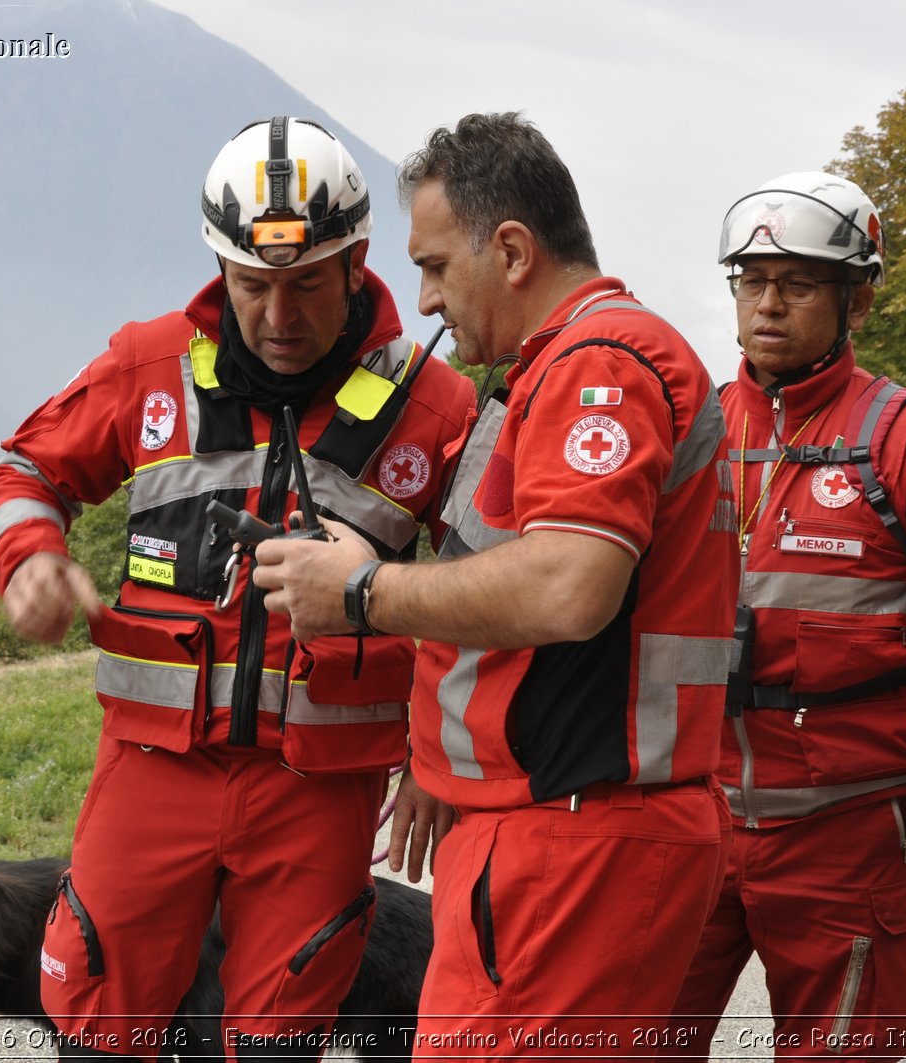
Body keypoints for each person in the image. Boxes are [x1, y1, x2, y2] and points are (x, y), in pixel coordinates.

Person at [0, 116, 475, 1061]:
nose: (279, 317)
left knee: (277, 1036)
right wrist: (31, 556)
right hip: (148, 776)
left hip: (321, 791)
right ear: (219, 267)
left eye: (305, 285)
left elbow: (497, 592)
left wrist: (435, 756)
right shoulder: (148, 365)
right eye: (253, 286)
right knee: (96, 1018)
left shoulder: (439, 411)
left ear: (357, 262)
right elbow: (24, 474)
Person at [250, 111, 740, 1058]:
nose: (424, 298)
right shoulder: (551, 369)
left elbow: (568, 585)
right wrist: (441, 758)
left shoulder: (599, 364)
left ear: (512, 249)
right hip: (548, 828)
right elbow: (500, 593)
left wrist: (361, 590)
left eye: (434, 266)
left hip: (578, 837)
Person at [663, 172, 906, 1060]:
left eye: (798, 284)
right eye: (751, 281)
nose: (768, 304)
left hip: (844, 824)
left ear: (859, 301)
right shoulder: (696, 430)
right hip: (696, 816)